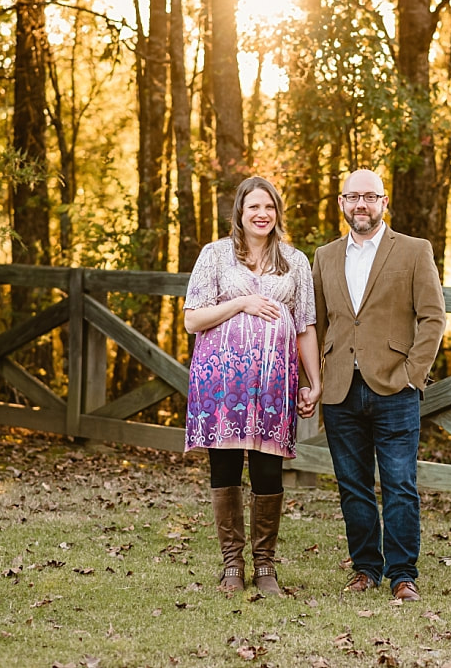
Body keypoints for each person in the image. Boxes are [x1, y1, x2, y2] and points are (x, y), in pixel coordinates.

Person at [309, 168, 446, 602]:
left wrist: (412, 375)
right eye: (353, 197)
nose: (361, 205)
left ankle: (402, 573)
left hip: (395, 388)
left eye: (370, 197)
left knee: (400, 483)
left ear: (384, 202)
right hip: (340, 389)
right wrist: (313, 379)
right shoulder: (325, 256)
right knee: (352, 485)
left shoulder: (413, 250)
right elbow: (314, 322)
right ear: (342, 203)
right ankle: (366, 567)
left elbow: (433, 318)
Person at [184, 176, 321, 596]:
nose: (262, 214)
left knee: (268, 471)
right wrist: (242, 303)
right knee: (224, 468)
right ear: (240, 213)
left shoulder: (295, 261)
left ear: (277, 214)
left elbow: (305, 326)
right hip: (222, 383)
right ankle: (231, 565)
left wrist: (315, 381)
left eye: (269, 208)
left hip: (274, 382)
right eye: (253, 207)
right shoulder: (215, 256)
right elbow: (192, 319)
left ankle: (264, 567)